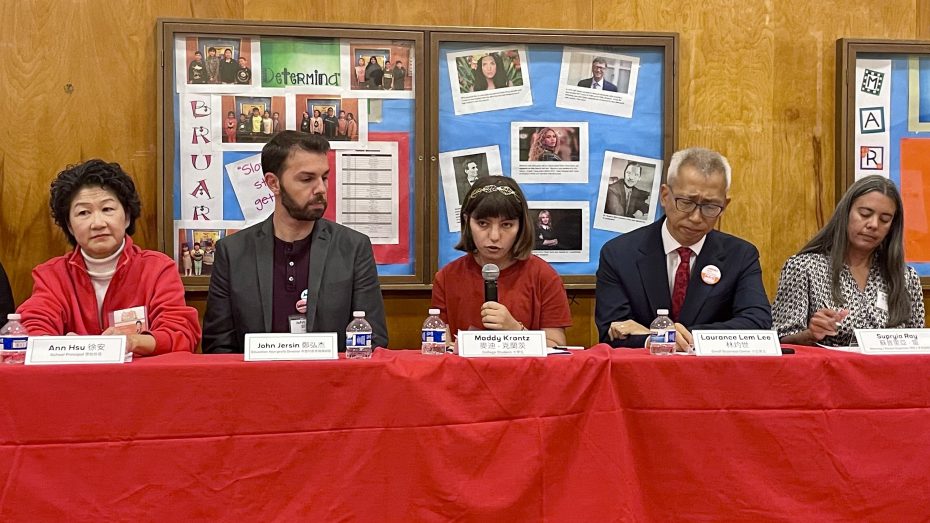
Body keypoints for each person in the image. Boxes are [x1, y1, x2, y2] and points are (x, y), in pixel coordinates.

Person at [203, 131, 387, 353]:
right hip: (257, 383)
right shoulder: (233, 252)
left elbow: (373, 340)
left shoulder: (353, 247)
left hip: (333, 383)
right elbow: (218, 347)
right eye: (307, 179)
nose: (320, 189)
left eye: (324, 177)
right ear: (273, 183)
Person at [16, 160, 200, 356]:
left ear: (127, 216)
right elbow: (31, 326)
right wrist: (61, 346)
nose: (97, 223)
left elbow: (182, 333)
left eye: (107, 209)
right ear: (69, 225)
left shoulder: (157, 269)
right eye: (84, 212)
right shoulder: (52, 275)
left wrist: (131, 342)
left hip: (139, 383)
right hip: (73, 382)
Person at [595, 147, 771, 350]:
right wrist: (649, 341)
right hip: (643, 374)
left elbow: (757, 322)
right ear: (664, 196)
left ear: (725, 204)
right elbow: (612, 330)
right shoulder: (619, 254)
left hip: (713, 375)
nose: (696, 217)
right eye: (686, 202)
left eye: (711, 206)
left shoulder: (740, 255)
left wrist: (668, 336)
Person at [772, 175, 924, 346]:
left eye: (884, 219)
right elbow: (780, 340)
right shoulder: (804, 267)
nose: (873, 224)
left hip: (887, 370)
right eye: (865, 214)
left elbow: (918, 345)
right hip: (828, 369)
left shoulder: (905, 277)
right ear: (846, 213)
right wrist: (811, 334)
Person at [432, 177, 571, 347]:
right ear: (467, 220)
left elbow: (557, 347)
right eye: (483, 223)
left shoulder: (544, 276)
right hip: (465, 372)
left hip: (525, 373)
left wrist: (515, 330)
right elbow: (439, 347)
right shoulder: (447, 277)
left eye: (506, 225)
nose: (494, 236)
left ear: (521, 225)